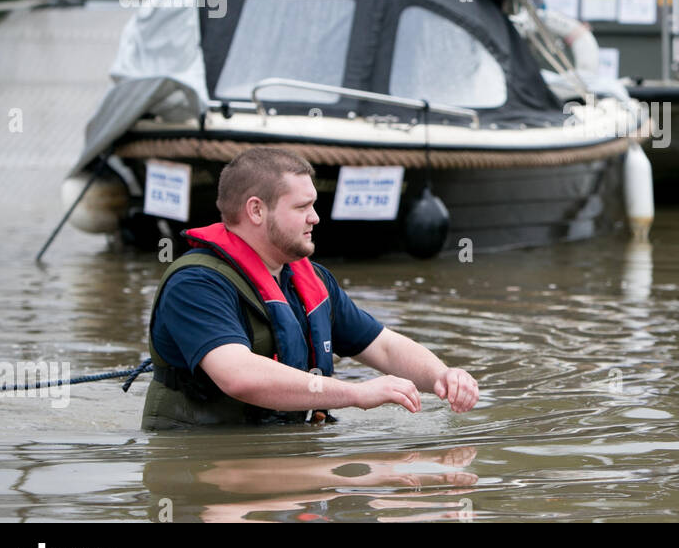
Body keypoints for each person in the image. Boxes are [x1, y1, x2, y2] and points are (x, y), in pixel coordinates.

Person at [142, 147, 479, 429]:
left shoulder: (311, 280)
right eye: (302, 207)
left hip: (282, 449)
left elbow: (385, 347)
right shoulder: (195, 284)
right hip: (203, 459)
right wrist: (355, 394)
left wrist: (442, 376)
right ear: (256, 210)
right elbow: (239, 376)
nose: (315, 217)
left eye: (313, 205)